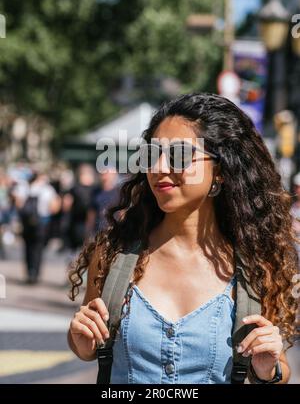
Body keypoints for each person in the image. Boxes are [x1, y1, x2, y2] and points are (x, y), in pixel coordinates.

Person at [67, 93, 298, 384]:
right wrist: (82, 341)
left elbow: (279, 370)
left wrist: (268, 370)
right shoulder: (114, 254)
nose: (160, 168)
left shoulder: (256, 267)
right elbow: (86, 346)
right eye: (152, 154)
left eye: (179, 155)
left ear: (221, 171)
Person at [18, 171, 61, 284]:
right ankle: (35, 273)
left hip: (27, 223)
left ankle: (30, 271)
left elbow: (19, 204)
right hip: (41, 223)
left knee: (28, 247)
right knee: (38, 248)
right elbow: (54, 208)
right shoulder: (48, 189)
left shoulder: (25, 187)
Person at [86, 165, 120, 236]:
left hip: (115, 231)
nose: (105, 176)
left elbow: (122, 213)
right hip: (98, 232)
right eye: (103, 174)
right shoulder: (95, 192)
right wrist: (88, 232)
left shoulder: (119, 192)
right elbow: (91, 214)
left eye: (108, 173)